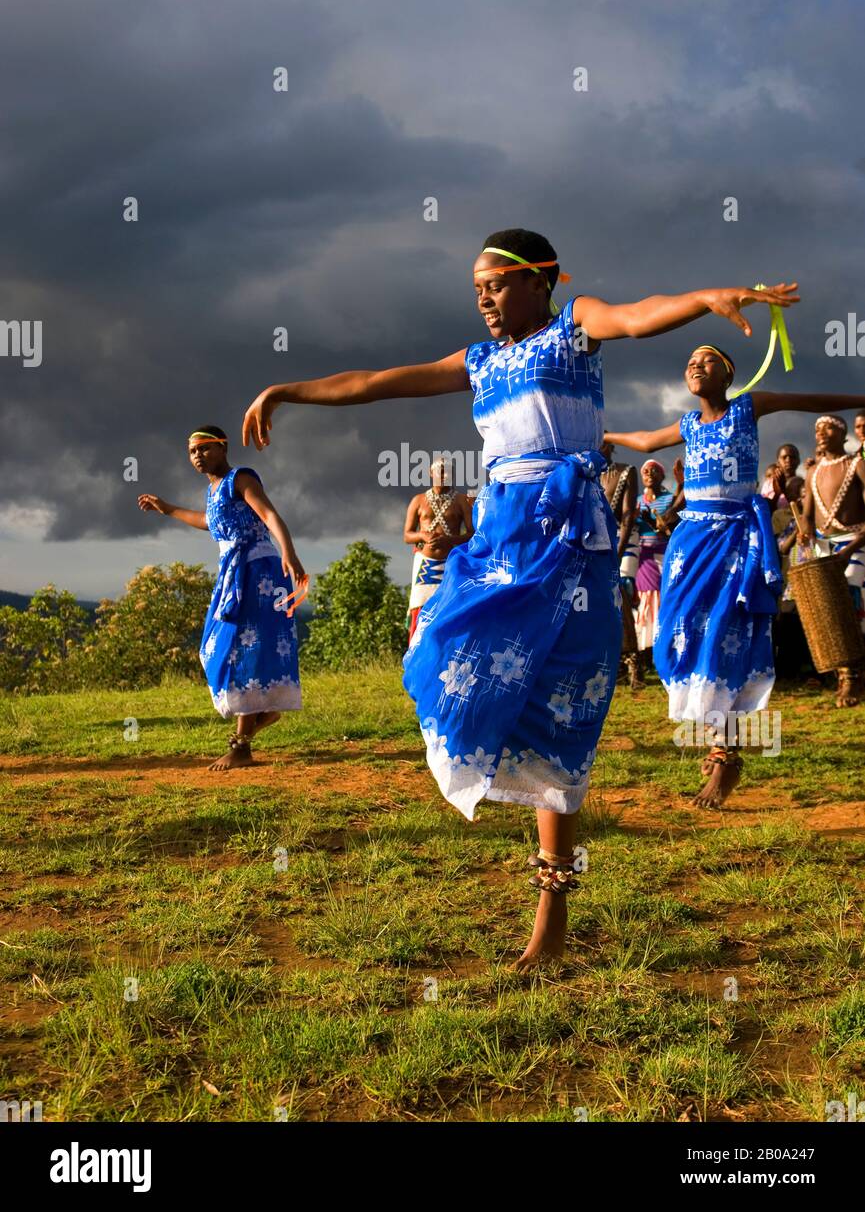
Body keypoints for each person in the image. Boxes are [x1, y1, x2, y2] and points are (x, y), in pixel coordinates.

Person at [242, 226, 797, 965]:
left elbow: (636, 316)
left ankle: (551, 909)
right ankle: (497, 775)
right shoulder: (478, 361)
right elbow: (376, 381)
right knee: (447, 655)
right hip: (501, 541)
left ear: (543, 281)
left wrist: (705, 298)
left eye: (496, 284)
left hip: (568, 545)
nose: (484, 298)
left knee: (561, 710)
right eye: (476, 288)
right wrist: (288, 389)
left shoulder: (574, 328)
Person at [605, 347, 865, 808]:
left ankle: (724, 753)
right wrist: (600, 433)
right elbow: (645, 440)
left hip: (735, 541)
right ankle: (716, 739)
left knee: (724, 637)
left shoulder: (748, 406)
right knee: (678, 639)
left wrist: (856, 396)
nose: (695, 365)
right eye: (688, 361)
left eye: (707, 360)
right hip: (690, 544)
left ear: (729, 374)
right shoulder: (687, 424)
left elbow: (808, 400)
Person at [138, 427, 306, 770]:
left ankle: (242, 744)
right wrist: (168, 509)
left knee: (242, 648)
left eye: (204, 448)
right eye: (192, 451)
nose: (198, 455)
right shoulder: (213, 491)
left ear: (222, 447)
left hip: (257, 571)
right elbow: (208, 522)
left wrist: (288, 553)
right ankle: (262, 712)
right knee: (215, 648)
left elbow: (269, 515)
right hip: (232, 574)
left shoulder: (240, 479)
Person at [799, 414, 865, 705]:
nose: (821, 433)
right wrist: (804, 532)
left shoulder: (856, 464)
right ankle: (844, 675)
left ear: (842, 433)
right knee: (829, 610)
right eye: (817, 429)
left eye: (828, 427)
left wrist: (848, 551)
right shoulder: (813, 472)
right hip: (824, 547)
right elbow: (807, 514)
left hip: (854, 543)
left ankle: (853, 677)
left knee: (851, 601)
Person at [403, 458, 474, 642]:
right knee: (420, 609)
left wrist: (449, 540)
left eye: (448, 471)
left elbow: (472, 534)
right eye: (441, 471)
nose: (445, 475)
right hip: (424, 565)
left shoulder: (461, 501)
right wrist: (423, 536)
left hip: (450, 563)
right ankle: (416, 657)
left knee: (449, 607)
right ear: (430, 473)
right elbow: (407, 535)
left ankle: (444, 657)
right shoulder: (418, 501)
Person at [600, 441, 640, 687]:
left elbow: (627, 517)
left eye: (603, 444)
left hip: (619, 543)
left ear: (610, 446)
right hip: (593, 543)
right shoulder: (587, 474)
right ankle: (615, 666)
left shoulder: (626, 471)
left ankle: (633, 663)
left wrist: (618, 552)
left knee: (621, 597)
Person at [634, 459, 676, 658]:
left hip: (664, 553)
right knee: (645, 597)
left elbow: (671, 528)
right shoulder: (636, 501)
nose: (649, 473)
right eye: (645, 471)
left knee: (662, 596)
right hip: (643, 555)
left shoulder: (670, 500)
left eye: (654, 471)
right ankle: (646, 646)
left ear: (662, 475)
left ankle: (663, 643)